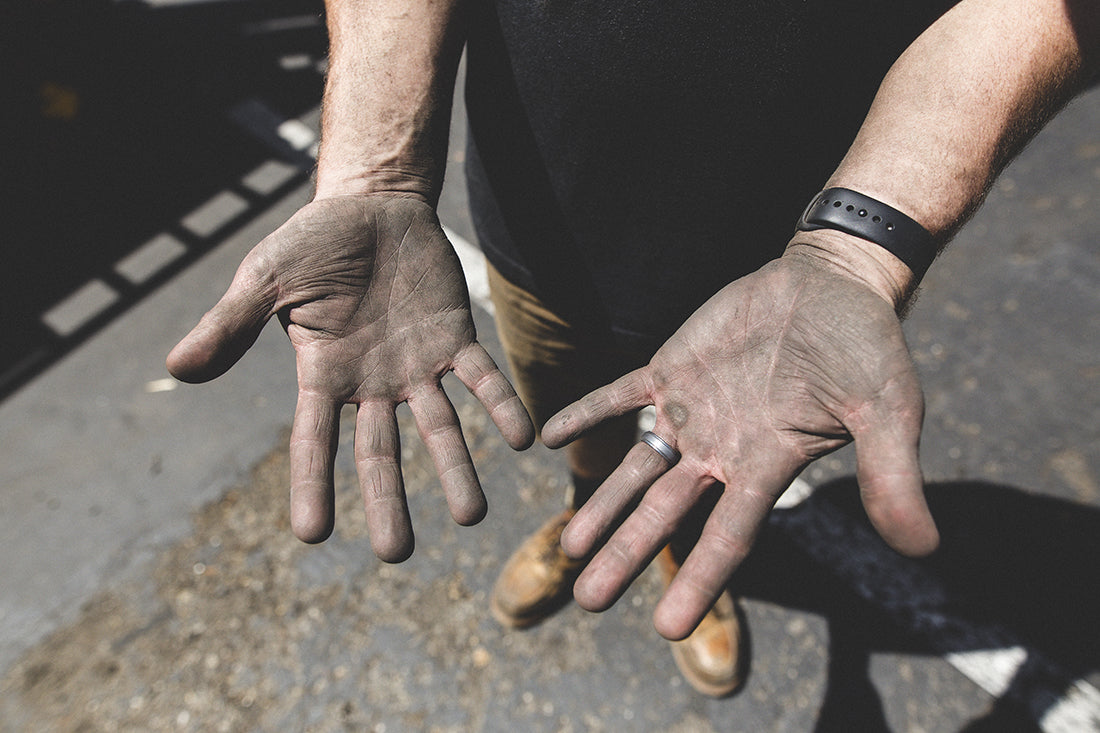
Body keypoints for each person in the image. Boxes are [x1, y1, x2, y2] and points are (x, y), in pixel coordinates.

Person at [167, 0, 1099, 698]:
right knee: (572, 413)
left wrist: (857, 249)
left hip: (788, 248)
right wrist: (371, 166)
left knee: (705, 457)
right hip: (542, 223)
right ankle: (581, 514)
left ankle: (678, 547)